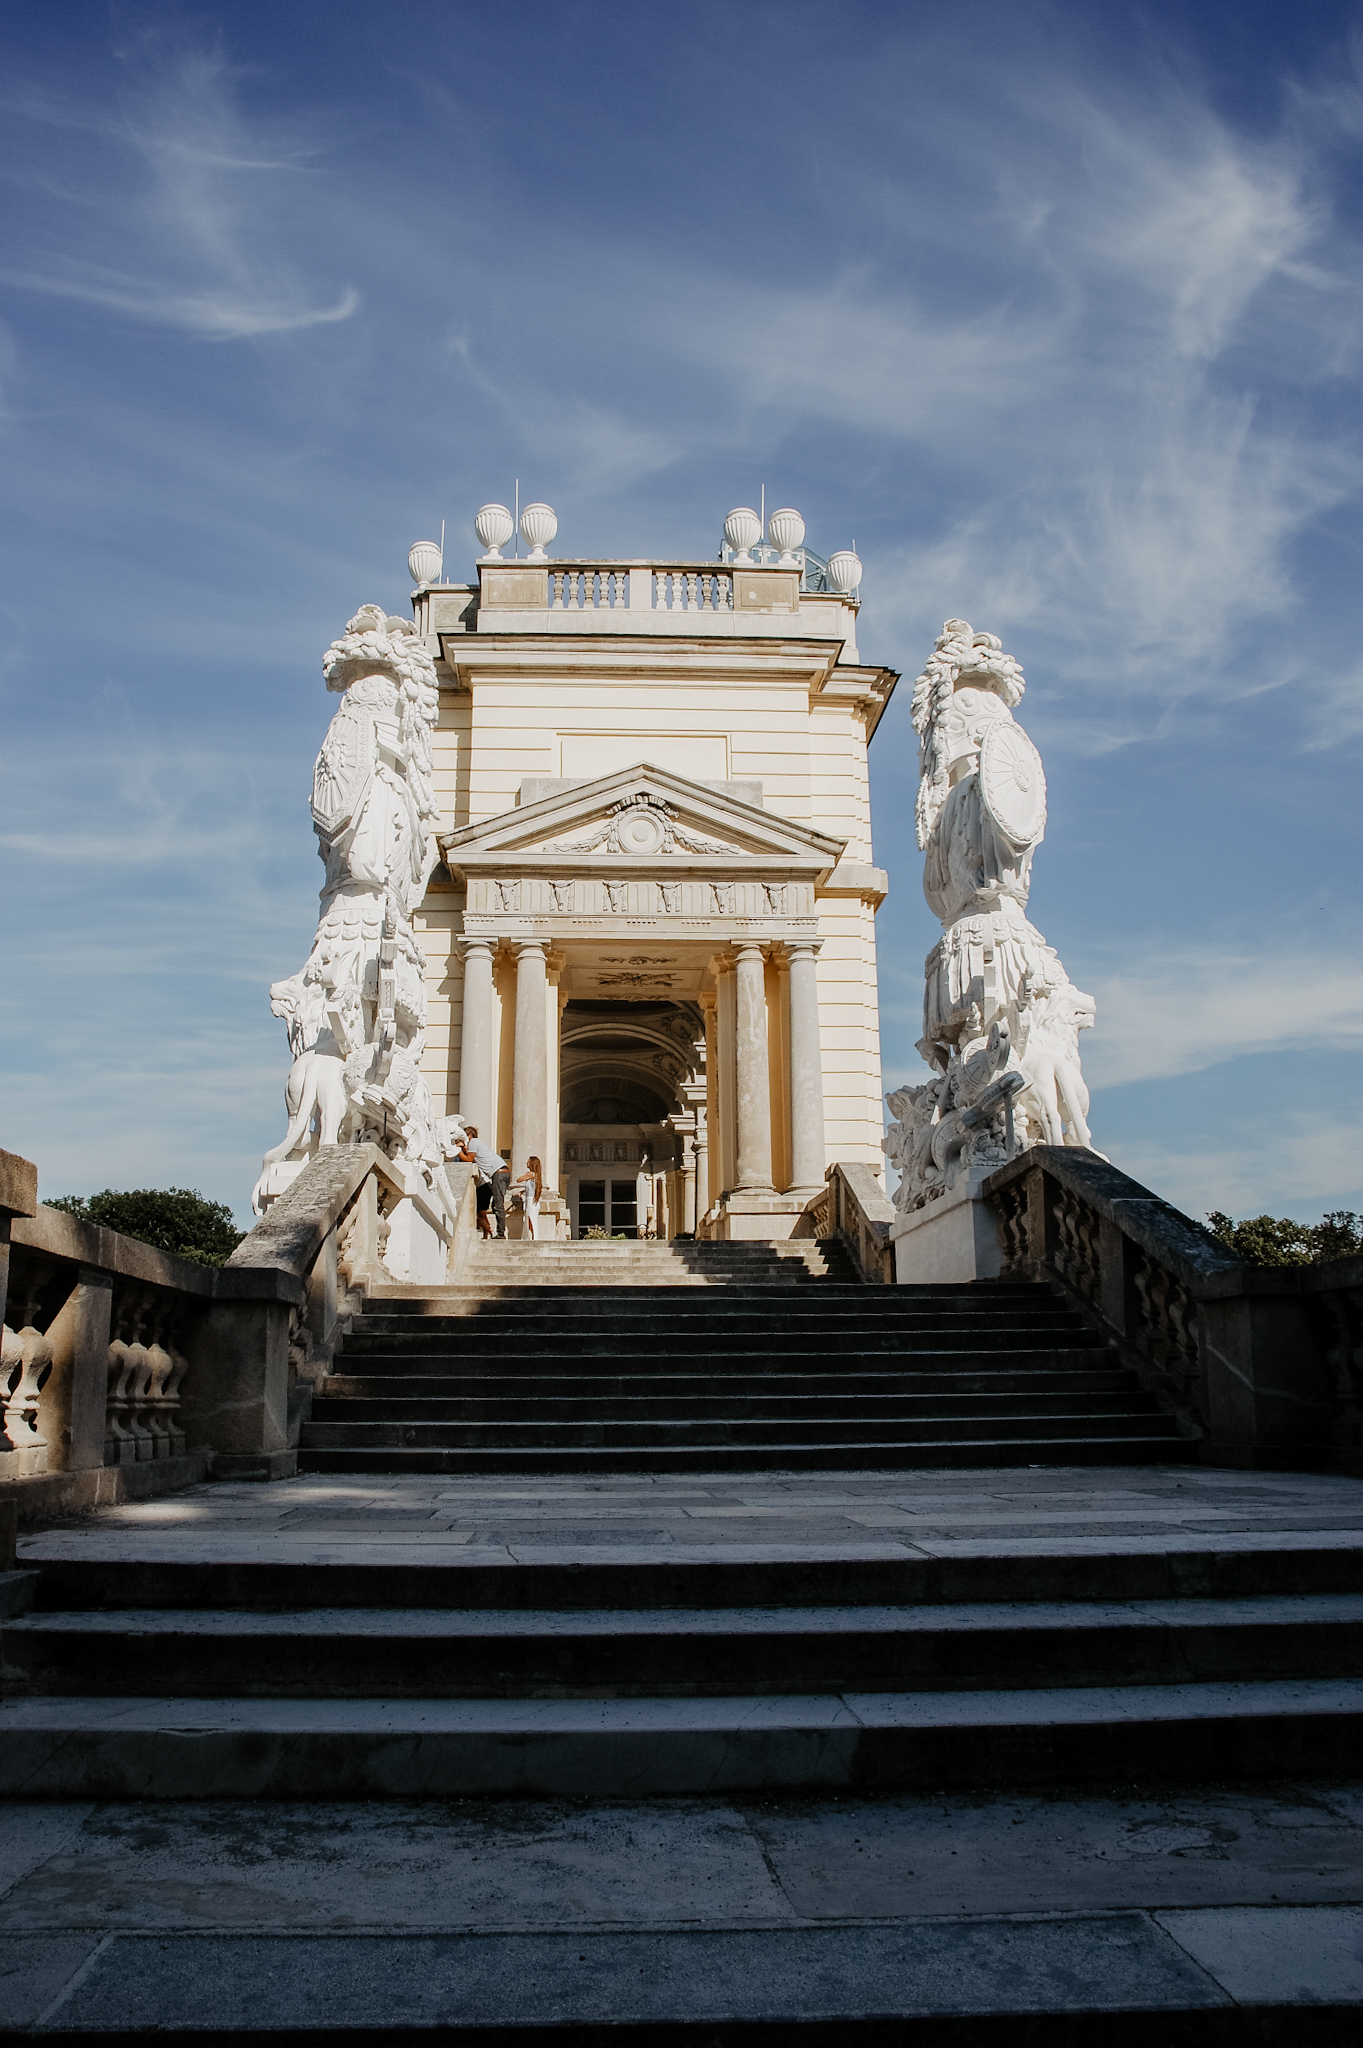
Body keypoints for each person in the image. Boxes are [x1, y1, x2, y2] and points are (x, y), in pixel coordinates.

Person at [459, 1126, 511, 1240]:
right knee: (495, 1204)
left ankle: (501, 1234)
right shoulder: (476, 1143)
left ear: (469, 1136)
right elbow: (470, 1155)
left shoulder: (473, 1141)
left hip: (499, 1173)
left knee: (497, 1205)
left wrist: (456, 1150)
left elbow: (468, 1159)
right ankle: (499, 1232)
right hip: (500, 1173)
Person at [510, 1156, 543, 1239]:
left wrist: (526, 1173)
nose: (526, 1163)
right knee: (530, 1221)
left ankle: (533, 1238)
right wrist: (523, 1191)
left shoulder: (530, 1174)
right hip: (532, 1200)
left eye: (528, 1162)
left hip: (531, 1201)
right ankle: (532, 1237)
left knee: (531, 1221)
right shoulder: (536, 1175)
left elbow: (519, 1179)